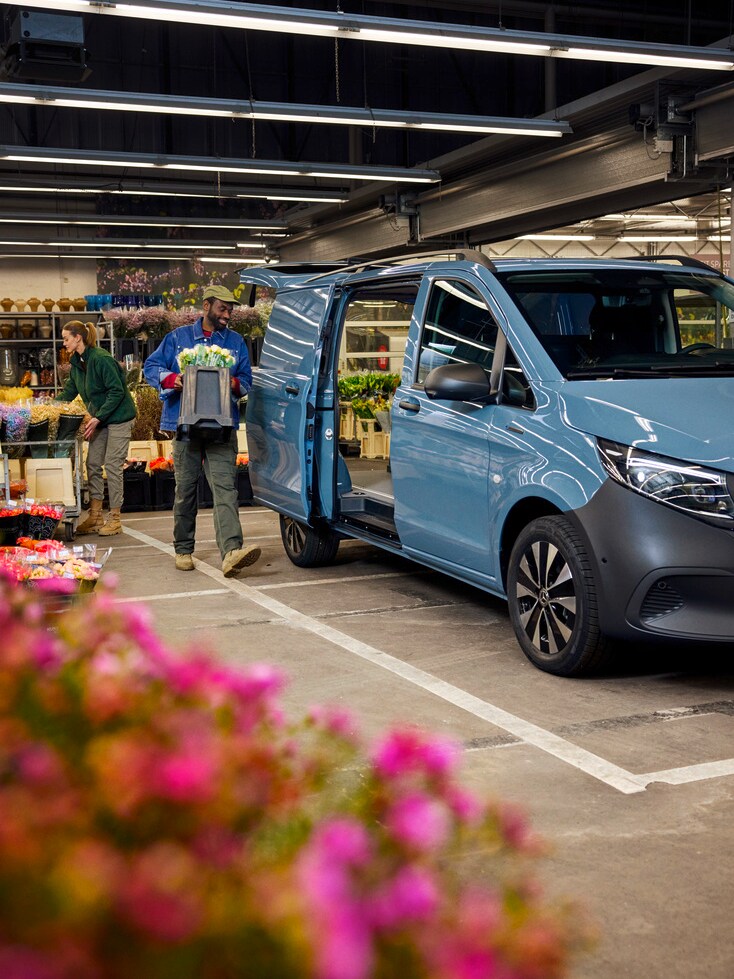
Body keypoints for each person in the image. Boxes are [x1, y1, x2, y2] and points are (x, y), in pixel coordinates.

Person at [143, 285, 261, 577]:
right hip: (186, 426)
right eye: (223, 308)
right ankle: (183, 549)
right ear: (206, 306)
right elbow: (151, 366)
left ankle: (231, 552)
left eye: (230, 310)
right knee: (185, 490)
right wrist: (172, 379)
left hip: (222, 428)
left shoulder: (235, 342)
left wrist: (232, 383)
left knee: (226, 490)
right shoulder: (178, 338)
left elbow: (246, 379)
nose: (227, 315)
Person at [57, 320, 137, 537]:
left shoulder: (101, 359)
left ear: (78, 338)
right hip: (101, 419)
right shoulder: (77, 362)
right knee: (92, 464)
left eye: (66, 338)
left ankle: (115, 519)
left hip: (119, 417)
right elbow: (70, 391)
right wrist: (48, 407)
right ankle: (95, 516)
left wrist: (98, 417)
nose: (64, 343)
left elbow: (117, 392)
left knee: (112, 465)